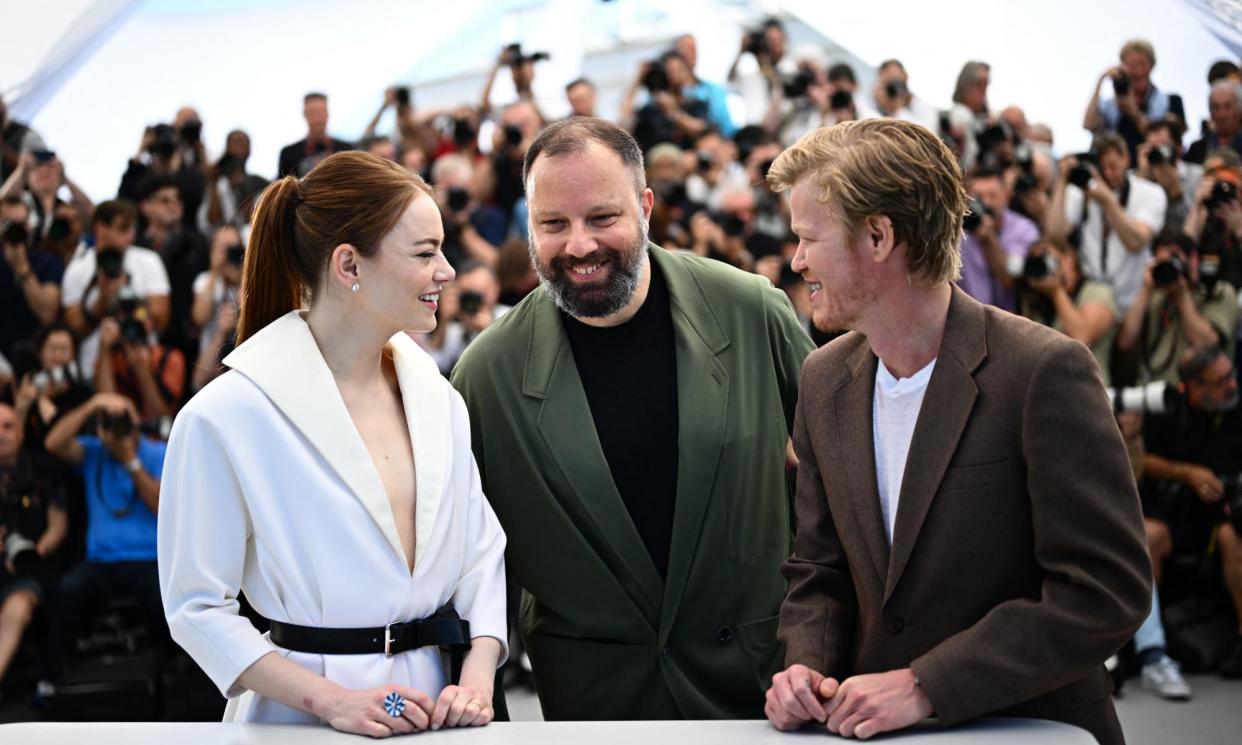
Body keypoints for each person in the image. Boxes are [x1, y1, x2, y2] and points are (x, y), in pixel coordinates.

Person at [764, 119, 1151, 744]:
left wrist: (927, 684)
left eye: (808, 237)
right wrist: (807, 667)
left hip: (1034, 728)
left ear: (879, 235)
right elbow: (817, 566)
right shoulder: (822, 378)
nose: (797, 258)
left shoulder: (1043, 370)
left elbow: (1105, 591)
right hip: (869, 732)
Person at [451, 117, 813, 719]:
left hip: (762, 693)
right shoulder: (486, 375)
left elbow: (845, 482)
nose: (579, 245)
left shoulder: (751, 311)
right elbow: (471, 569)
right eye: (553, 224)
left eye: (602, 218)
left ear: (646, 206)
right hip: (597, 708)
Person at [157, 151, 507, 735]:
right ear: (349, 264)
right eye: (425, 253)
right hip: (297, 721)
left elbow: (480, 549)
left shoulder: (439, 398)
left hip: (442, 712)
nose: (447, 271)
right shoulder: (226, 415)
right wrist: (332, 701)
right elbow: (195, 606)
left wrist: (478, 674)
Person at [277, 93, 353, 177]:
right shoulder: (289, 153)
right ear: (305, 115)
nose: (318, 118)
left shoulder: (347, 149)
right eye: (313, 112)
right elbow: (283, 188)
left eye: (321, 112)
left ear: (327, 114)